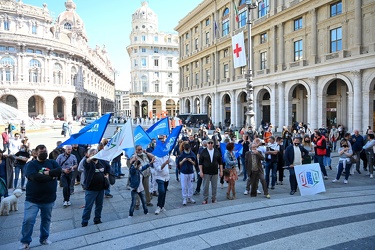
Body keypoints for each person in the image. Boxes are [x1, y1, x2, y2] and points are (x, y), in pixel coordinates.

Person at [19, 144, 62, 249]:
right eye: (41, 152)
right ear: (36, 153)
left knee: (46, 220)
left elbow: (59, 170)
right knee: (28, 220)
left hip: (49, 199)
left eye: (45, 151)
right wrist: (51, 176)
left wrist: (47, 173)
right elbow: (33, 177)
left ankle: (44, 238)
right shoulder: (31, 164)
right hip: (33, 199)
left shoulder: (52, 162)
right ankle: (25, 242)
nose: (44, 153)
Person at [81, 148, 110, 227]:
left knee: (99, 205)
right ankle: (85, 221)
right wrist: (90, 158)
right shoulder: (88, 163)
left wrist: (107, 174)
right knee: (88, 206)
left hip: (101, 188)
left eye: (96, 153)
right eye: (92, 153)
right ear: (89, 155)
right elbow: (86, 162)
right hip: (91, 189)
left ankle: (97, 219)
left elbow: (108, 167)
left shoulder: (102, 162)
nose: (95, 155)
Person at [198, 139, 223, 204]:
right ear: (207, 144)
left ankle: (214, 198)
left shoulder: (217, 151)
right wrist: (201, 171)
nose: (210, 144)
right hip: (206, 171)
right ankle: (205, 199)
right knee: (205, 186)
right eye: (209, 143)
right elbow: (200, 163)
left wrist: (221, 171)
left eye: (211, 143)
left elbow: (220, 162)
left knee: (214, 186)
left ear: (213, 144)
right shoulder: (204, 151)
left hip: (214, 171)